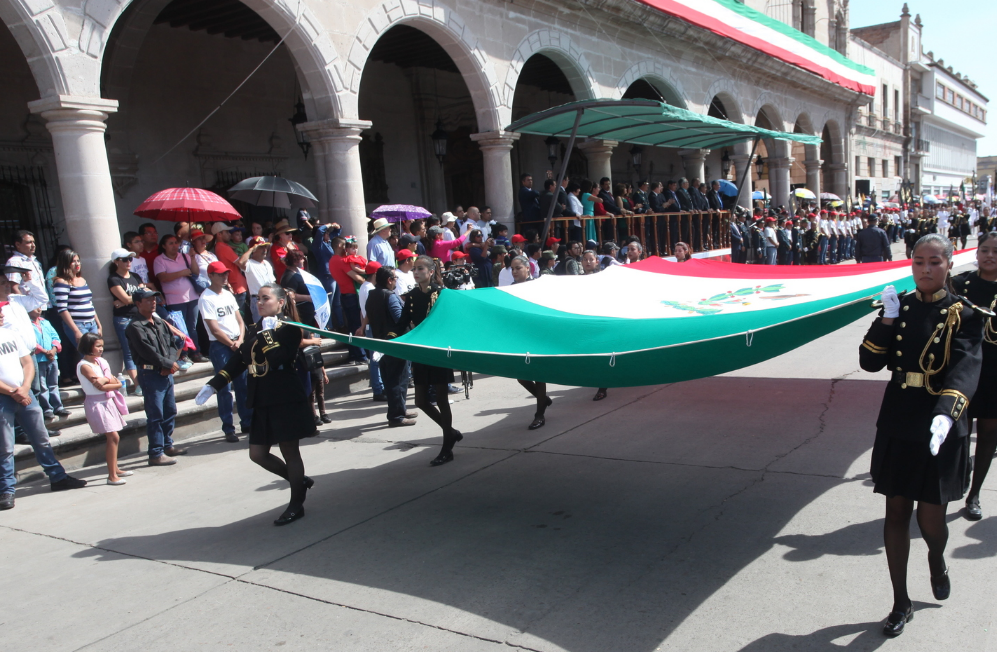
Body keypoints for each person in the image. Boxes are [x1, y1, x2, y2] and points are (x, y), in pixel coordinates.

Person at [858, 234, 984, 637]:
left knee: (931, 519)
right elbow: (869, 362)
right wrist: (887, 318)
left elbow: (966, 367)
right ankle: (900, 601)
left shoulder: (964, 313)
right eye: (917, 262)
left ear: (949, 265)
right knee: (895, 511)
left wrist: (947, 414)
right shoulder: (901, 307)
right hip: (900, 418)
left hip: (940, 423)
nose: (924, 270)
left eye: (933, 262)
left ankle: (936, 555)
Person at [196, 284, 316, 526]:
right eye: (257, 298)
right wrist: (215, 384)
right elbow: (239, 360)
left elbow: (278, 358)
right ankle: (299, 481)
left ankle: (296, 503)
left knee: (289, 451)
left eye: (265, 298)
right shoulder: (254, 328)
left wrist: (268, 335)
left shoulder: (291, 328)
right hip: (262, 398)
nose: (259, 303)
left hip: (284, 396)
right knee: (257, 454)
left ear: (281, 302)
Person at [0, 308, 87, 510]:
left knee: (41, 438)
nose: (2, 314)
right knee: (4, 447)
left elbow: (27, 362)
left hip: (24, 393)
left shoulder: (11, 334)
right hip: (5, 397)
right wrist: (13, 392)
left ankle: (57, 477)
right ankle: (6, 490)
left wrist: (25, 387)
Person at [401, 256, 462, 465]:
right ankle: (451, 431)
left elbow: (450, 322)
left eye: (420, 269)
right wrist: (389, 339)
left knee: (442, 399)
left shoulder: (442, 294)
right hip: (420, 353)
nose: (415, 272)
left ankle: (447, 447)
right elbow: (402, 324)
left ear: (430, 271)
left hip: (436, 351)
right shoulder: (411, 296)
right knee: (420, 401)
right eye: (414, 269)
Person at [953, 231, 997, 520]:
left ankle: (975, 494)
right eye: (985, 250)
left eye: (995, 251)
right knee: (960, 430)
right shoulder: (960, 284)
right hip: (965, 368)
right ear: (976, 252)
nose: (990, 255)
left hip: (995, 370)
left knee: (989, 433)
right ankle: (959, 476)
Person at [126, 288, 187, 466]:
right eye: (148, 300)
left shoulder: (159, 322)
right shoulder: (135, 326)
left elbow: (170, 343)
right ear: (138, 304)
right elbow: (146, 351)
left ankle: (167, 445)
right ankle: (155, 452)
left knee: (170, 410)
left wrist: (169, 364)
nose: (153, 302)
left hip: (165, 372)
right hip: (150, 373)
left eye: (154, 299)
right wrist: (167, 364)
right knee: (155, 414)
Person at [199, 261, 252, 442]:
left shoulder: (229, 294)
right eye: (220, 274)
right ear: (211, 276)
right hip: (221, 346)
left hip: (236, 341)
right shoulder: (206, 298)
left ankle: (247, 421)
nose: (224, 276)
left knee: (243, 384)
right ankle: (228, 427)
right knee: (224, 387)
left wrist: (240, 339)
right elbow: (214, 329)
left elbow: (239, 320)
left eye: (225, 273)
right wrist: (231, 343)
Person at [75, 333, 130, 485]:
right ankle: (112, 476)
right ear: (89, 347)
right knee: (112, 437)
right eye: (97, 346)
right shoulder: (84, 365)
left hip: (107, 401)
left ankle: (115, 468)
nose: (101, 349)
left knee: (115, 435)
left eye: (102, 346)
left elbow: (114, 382)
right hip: (96, 403)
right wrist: (109, 381)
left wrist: (111, 382)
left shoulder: (100, 363)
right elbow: (99, 386)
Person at [366, 266, 417, 427]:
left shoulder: (372, 295)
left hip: (380, 342)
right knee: (398, 379)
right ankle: (396, 416)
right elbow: (399, 319)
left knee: (390, 379)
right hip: (394, 343)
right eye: (395, 278)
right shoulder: (389, 296)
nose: (396, 281)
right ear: (389, 280)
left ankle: (400, 409)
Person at [508, 256, 552, 429]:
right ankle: (544, 399)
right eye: (512, 269)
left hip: (537, 335)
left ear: (528, 268)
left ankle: (539, 414)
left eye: (518, 268)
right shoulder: (510, 289)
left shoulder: (537, 286)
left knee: (539, 376)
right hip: (519, 337)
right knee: (522, 376)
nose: (514, 272)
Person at [154, 234, 207, 363]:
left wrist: (193, 257)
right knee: (179, 329)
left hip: (192, 297)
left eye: (176, 243)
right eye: (171, 243)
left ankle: (196, 352)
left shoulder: (184, 256)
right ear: (164, 246)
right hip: (174, 300)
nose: (174, 246)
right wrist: (181, 273)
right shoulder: (159, 260)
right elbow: (162, 277)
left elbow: (195, 272)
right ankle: (183, 354)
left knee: (192, 327)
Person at [107, 247, 144, 394]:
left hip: (139, 316)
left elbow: (145, 294)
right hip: (124, 318)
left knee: (143, 348)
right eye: (125, 259)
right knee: (129, 351)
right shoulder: (113, 279)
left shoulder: (135, 276)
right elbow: (132, 297)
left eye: (130, 259)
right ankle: (137, 385)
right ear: (116, 262)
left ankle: (144, 380)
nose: (129, 262)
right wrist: (128, 300)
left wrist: (127, 301)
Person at [52, 249, 102, 352]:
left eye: (78, 261)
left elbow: (89, 303)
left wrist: (98, 324)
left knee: (97, 354)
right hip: (78, 324)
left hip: (92, 323)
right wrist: (76, 330)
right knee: (88, 354)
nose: (77, 264)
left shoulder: (82, 280)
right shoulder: (61, 282)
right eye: (73, 261)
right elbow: (62, 309)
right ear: (66, 263)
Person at [328, 236, 367, 363]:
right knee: (357, 325)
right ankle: (360, 355)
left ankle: (353, 355)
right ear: (340, 246)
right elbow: (358, 279)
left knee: (351, 326)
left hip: (344, 295)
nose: (348, 248)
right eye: (346, 245)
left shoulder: (332, 260)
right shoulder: (340, 261)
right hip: (351, 296)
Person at [29, 307, 68, 419]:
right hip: (39, 358)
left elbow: (55, 336)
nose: (38, 310)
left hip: (52, 357)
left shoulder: (45, 322)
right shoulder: (27, 325)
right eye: (35, 308)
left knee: (53, 383)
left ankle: (58, 406)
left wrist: (53, 349)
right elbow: (31, 341)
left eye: (39, 307)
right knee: (42, 385)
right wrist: (44, 351)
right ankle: (47, 408)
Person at [6, 230, 49, 311]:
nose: (33, 245)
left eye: (33, 242)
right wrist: (27, 307)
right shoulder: (14, 262)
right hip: (30, 308)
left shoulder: (34, 261)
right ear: (18, 244)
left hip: (42, 306)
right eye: (29, 242)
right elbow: (13, 287)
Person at [211, 223, 249, 311]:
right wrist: (251, 250)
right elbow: (242, 264)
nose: (229, 234)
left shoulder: (219, 246)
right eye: (227, 232)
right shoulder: (223, 247)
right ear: (219, 234)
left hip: (235, 284)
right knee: (240, 316)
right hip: (237, 285)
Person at [242, 237, 276, 324]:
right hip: (258, 300)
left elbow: (273, 282)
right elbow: (241, 262)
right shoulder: (249, 263)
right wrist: (251, 249)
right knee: (261, 328)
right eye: (261, 247)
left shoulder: (267, 263)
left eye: (265, 247)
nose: (264, 249)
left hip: (271, 298)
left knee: (274, 326)